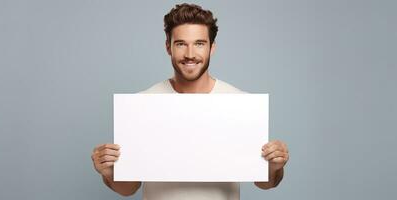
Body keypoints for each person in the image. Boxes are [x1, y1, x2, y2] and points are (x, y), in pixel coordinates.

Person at [91, 3, 289, 200]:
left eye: (199, 43)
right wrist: (109, 172)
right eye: (181, 44)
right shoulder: (142, 104)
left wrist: (273, 167)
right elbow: (129, 188)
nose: (190, 54)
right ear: (168, 47)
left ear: (212, 48)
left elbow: (265, 183)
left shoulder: (240, 104)